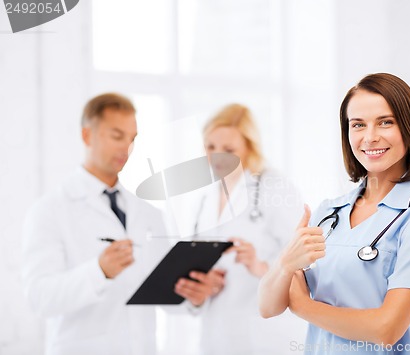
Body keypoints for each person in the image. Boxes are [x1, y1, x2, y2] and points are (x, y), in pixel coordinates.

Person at [259, 73, 410, 354]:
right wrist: (285, 263)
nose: (370, 137)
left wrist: (303, 305)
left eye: (386, 122)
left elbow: (386, 329)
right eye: (358, 125)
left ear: (409, 128)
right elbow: (267, 306)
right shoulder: (329, 212)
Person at [22, 93, 168, 355]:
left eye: (132, 138)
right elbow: (39, 298)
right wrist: (99, 271)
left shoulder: (148, 213)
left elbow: (162, 291)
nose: (126, 148)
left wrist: (192, 291)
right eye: (116, 135)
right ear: (87, 135)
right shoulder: (49, 210)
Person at [173, 103, 308, 355]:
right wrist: (203, 283)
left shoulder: (274, 187)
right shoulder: (206, 198)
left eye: (229, 149)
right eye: (210, 147)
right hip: (216, 332)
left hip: (265, 334)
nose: (217, 156)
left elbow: (306, 261)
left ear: (249, 146)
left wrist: (260, 266)